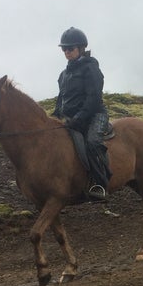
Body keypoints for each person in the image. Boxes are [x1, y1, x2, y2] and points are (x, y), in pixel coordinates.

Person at [53, 27, 112, 201]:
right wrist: (55, 118)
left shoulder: (91, 69)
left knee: (93, 142)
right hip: (72, 120)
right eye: (64, 49)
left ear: (81, 48)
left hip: (95, 115)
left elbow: (93, 98)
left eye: (70, 48)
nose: (66, 52)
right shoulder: (63, 75)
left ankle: (100, 184)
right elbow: (61, 100)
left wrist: (79, 118)